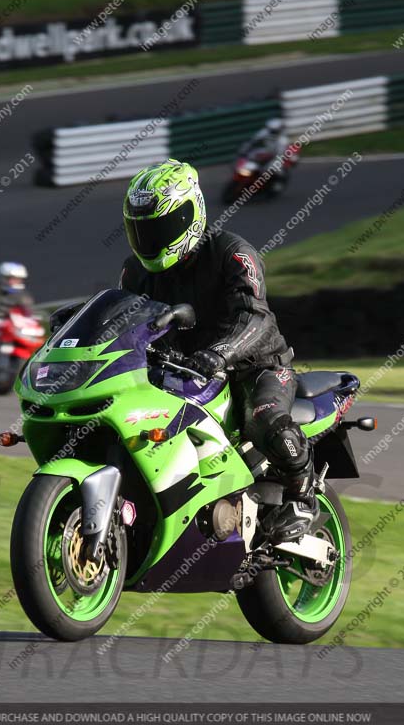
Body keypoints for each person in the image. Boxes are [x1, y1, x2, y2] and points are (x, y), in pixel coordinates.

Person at [119, 158, 318, 544]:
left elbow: (255, 317)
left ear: (192, 215)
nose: (151, 238)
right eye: (141, 230)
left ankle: (302, 499)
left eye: (161, 227)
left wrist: (219, 354)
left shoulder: (233, 253)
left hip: (255, 368)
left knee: (266, 420)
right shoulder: (134, 272)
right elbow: (125, 323)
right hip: (180, 374)